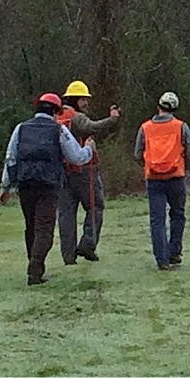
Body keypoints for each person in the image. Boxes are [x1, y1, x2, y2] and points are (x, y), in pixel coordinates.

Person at [0, 93, 96, 285]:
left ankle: (34, 268)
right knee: (45, 229)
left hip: (25, 184)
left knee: (31, 227)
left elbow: (11, 157)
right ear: (55, 112)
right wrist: (89, 149)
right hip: (48, 185)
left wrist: (6, 187)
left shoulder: (21, 128)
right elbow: (77, 157)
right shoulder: (58, 130)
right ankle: (35, 270)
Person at [56, 80, 120, 265]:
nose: (86, 103)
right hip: (84, 171)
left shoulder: (56, 117)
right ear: (75, 100)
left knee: (66, 214)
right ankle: (87, 244)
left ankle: (68, 257)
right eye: (83, 99)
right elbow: (93, 127)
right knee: (95, 207)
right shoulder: (76, 118)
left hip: (62, 172)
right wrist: (113, 119)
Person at [134, 91, 190, 271]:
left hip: (153, 179)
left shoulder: (145, 128)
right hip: (176, 177)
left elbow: (137, 154)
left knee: (157, 220)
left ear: (158, 107)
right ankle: (174, 252)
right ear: (175, 109)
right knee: (177, 215)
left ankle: (161, 260)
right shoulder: (181, 126)